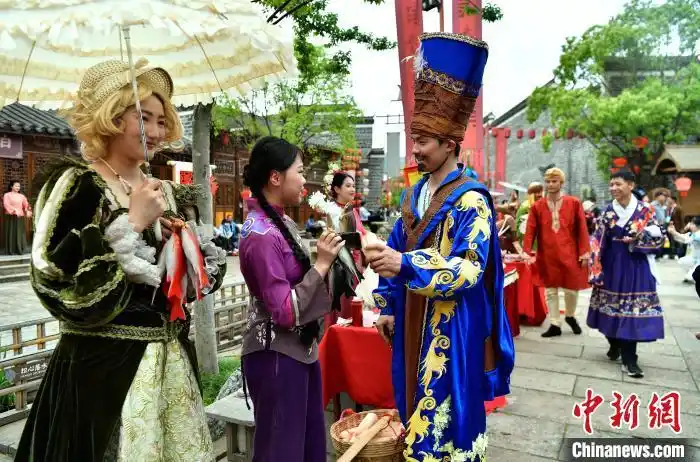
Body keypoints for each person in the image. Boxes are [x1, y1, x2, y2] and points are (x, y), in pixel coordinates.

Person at [17, 59, 227, 461]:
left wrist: (185, 251)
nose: (156, 131)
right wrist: (132, 224)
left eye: (162, 121)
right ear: (110, 117)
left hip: (169, 364)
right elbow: (54, 280)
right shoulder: (78, 184)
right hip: (101, 371)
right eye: (143, 118)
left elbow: (185, 286)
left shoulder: (163, 190)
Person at [367, 32, 514, 461]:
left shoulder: (472, 201)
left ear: (450, 144)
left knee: (448, 416)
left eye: (423, 142)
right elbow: (394, 248)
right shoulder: (414, 194)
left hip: (452, 324)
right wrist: (387, 304)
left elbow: (469, 269)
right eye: (414, 140)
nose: (415, 150)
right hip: (412, 314)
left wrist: (405, 265)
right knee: (413, 403)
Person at [238, 136, 344, 462]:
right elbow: (284, 311)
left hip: (299, 352)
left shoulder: (280, 222)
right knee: (281, 453)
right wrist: (322, 264)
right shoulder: (260, 235)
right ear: (275, 177)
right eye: (300, 171)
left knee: (308, 448)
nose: (304, 180)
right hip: (275, 356)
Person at [587, 169, 665, 378]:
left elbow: (660, 236)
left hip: (637, 265)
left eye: (618, 184)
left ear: (631, 185)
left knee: (632, 312)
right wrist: (596, 268)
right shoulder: (607, 212)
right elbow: (597, 241)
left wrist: (640, 238)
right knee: (610, 309)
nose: (613, 188)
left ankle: (630, 359)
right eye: (611, 184)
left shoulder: (646, 211)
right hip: (612, 265)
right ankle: (614, 343)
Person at [523, 168, 590, 338]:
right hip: (547, 253)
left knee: (571, 289)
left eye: (554, 181)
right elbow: (530, 229)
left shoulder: (574, 203)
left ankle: (570, 316)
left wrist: (584, 252)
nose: (551, 184)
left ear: (561, 183)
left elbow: (582, 229)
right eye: (548, 181)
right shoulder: (537, 206)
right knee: (550, 290)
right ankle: (554, 323)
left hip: (570, 252)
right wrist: (526, 251)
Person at [667, 217, 700, 283]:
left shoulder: (698, 234)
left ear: (698, 226)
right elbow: (680, 238)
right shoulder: (692, 233)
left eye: (692, 224)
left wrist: (674, 232)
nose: (689, 225)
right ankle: (692, 273)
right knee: (681, 261)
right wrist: (673, 232)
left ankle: (694, 275)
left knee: (690, 277)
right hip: (695, 259)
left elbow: (686, 239)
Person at [3, 180, 31, 255]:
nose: (18, 187)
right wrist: (14, 210)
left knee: (20, 233)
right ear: (11, 186)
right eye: (16, 186)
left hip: (20, 216)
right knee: (11, 233)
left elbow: (26, 205)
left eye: (19, 186)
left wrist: (27, 211)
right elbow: (6, 204)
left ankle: (20, 249)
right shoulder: (7, 195)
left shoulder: (22, 196)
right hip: (10, 216)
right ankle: (11, 250)